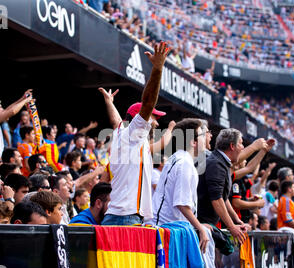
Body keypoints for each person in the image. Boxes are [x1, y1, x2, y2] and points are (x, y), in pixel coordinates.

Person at [99, 41, 170, 226]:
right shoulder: (133, 135)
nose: (156, 121)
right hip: (125, 218)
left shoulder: (124, 134)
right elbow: (147, 103)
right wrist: (158, 69)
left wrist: (109, 102)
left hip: (122, 216)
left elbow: (115, 121)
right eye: (154, 117)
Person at [148, 118, 210, 252]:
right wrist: (200, 229)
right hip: (164, 234)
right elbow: (181, 204)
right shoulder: (184, 163)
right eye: (201, 135)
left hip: (165, 231)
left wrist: (198, 224)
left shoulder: (178, 158)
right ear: (193, 142)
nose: (205, 138)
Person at [197, 128, 267, 244]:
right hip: (203, 227)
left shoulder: (221, 162)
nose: (243, 147)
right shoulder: (216, 164)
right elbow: (217, 199)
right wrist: (232, 227)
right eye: (240, 143)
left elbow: (223, 198)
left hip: (208, 226)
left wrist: (236, 220)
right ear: (232, 146)